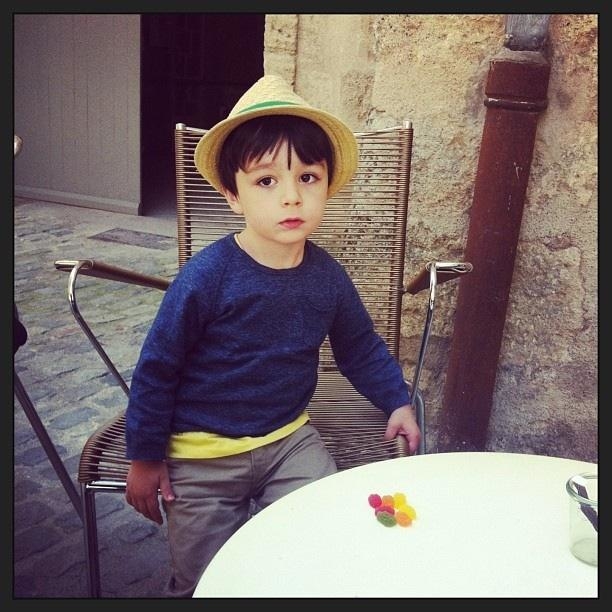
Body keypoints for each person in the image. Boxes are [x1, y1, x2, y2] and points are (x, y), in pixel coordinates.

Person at [125, 74, 421, 597]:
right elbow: (157, 368)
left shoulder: (327, 277)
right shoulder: (207, 277)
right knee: (204, 577)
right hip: (201, 453)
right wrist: (146, 457)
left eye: (307, 177)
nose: (291, 197)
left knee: (321, 532)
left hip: (288, 438)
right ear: (232, 195)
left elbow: (359, 346)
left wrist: (396, 400)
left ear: (327, 185)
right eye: (266, 181)